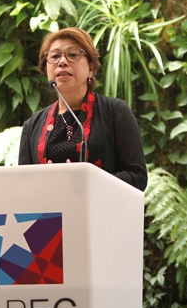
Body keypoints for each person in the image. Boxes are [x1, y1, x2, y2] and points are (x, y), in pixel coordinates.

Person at [18, 27, 148, 191]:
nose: (62, 62)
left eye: (73, 55)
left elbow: (137, 177)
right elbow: (23, 185)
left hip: (102, 207)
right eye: (54, 56)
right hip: (49, 208)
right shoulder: (32, 126)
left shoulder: (115, 112)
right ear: (46, 69)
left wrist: (86, 182)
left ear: (91, 68)